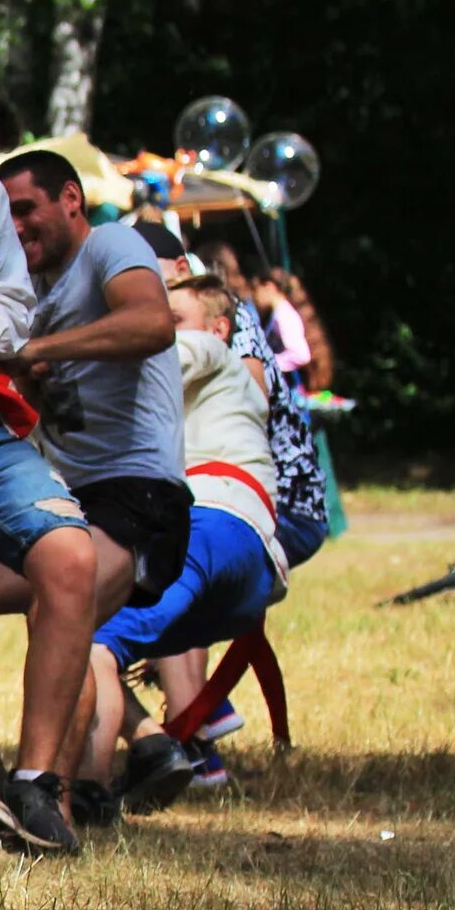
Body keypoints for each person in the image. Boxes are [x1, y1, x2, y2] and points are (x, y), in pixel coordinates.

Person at [0, 148, 186, 847]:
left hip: (139, 498)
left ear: (71, 198)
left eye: (26, 209)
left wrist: (39, 349)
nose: (15, 227)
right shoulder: (23, 291)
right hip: (61, 494)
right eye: (2, 217)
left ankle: (52, 803)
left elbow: (152, 323)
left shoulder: (113, 243)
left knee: (61, 598)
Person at [77, 273, 287, 814]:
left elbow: (144, 361)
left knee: (83, 640)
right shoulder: (214, 392)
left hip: (212, 526)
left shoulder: (208, 353)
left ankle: (89, 795)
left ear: (218, 328)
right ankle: (159, 744)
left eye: (172, 322)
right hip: (250, 563)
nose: (158, 330)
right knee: (83, 635)